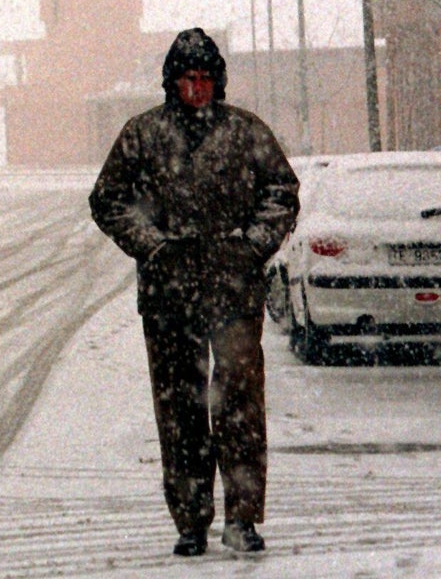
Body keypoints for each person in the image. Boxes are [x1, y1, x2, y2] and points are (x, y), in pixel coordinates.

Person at [88, 28, 300, 557]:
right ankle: (190, 519)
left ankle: (243, 518)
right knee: (180, 409)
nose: (197, 88)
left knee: (241, 408)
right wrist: (153, 247)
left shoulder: (246, 133)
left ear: (217, 81)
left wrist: (251, 247)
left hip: (233, 292)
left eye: (205, 79)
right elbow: (108, 199)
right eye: (188, 79)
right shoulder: (143, 135)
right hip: (169, 294)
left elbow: (281, 192)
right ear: (172, 82)